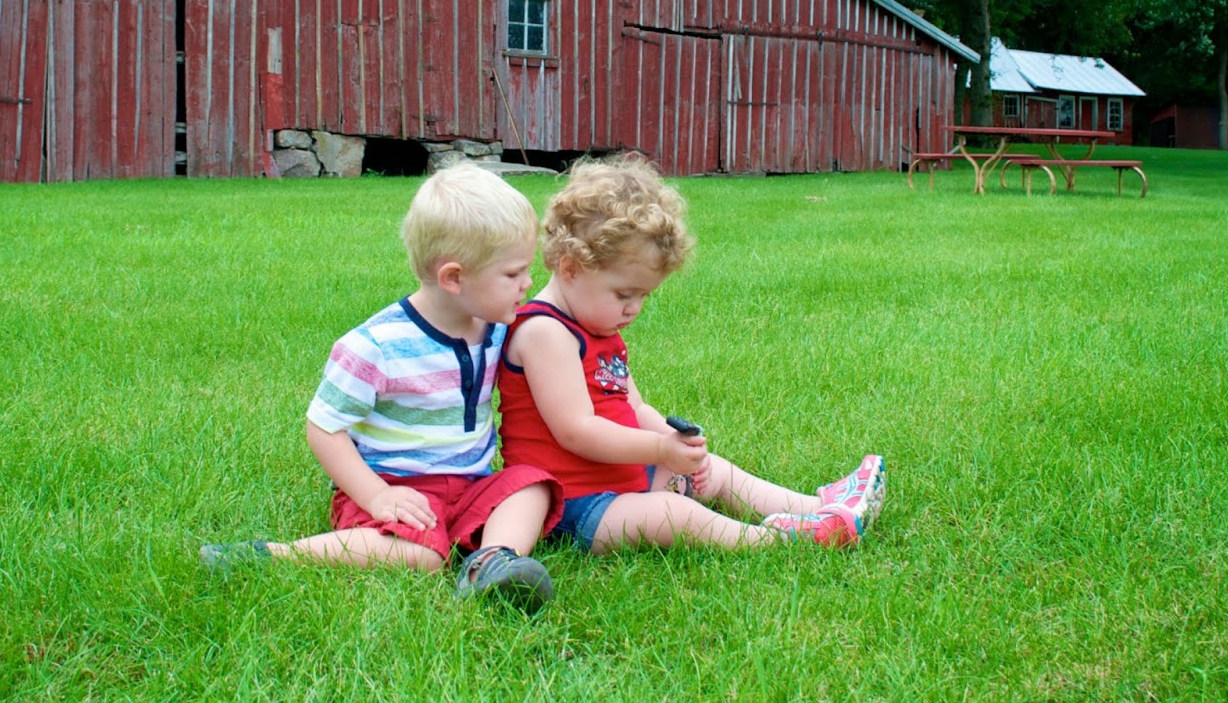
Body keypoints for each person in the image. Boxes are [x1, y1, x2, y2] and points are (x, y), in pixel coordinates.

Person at [200, 161, 563, 612]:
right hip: (395, 485)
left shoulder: (498, 328)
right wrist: (376, 495)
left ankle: (492, 561)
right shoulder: (376, 346)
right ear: (454, 278)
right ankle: (272, 555)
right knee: (422, 557)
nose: (528, 283)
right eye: (513, 274)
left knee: (533, 485)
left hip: (472, 484)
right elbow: (323, 428)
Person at [498, 152, 885, 556]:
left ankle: (819, 508)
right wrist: (659, 450)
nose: (634, 309)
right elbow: (577, 430)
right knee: (675, 514)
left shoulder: (597, 325)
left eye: (644, 296)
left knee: (715, 472)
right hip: (572, 504)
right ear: (571, 268)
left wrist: (674, 444)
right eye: (624, 294)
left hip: (620, 481)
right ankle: (778, 540)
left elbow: (633, 407)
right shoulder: (545, 332)